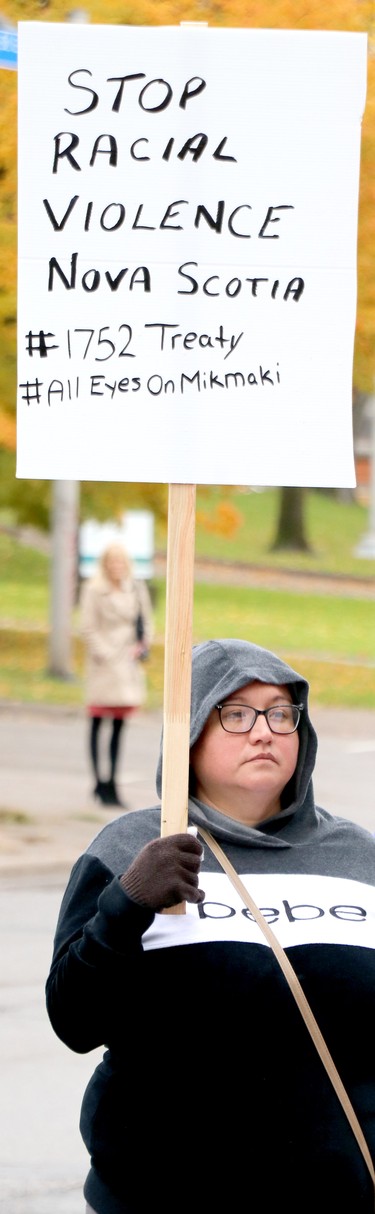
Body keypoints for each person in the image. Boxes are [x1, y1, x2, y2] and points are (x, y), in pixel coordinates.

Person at [46, 638, 375, 1213]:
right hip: (162, 1195)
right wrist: (126, 905)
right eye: (237, 713)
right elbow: (73, 1019)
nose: (264, 731)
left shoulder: (358, 857)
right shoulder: (127, 848)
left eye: (281, 712)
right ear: (189, 733)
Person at [80, 541, 153, 808]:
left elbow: (146, 621)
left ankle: (112, 782)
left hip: (128, 663)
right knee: (98, 722)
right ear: (105, 564)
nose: (117, 567)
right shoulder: (93, 589)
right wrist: (108, 655)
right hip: (103, 665)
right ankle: (98, 782)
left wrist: (140, 647)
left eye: (121, 561)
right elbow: (88, 628)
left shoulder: (135, 587)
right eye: (112, 562)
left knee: (119, 727)